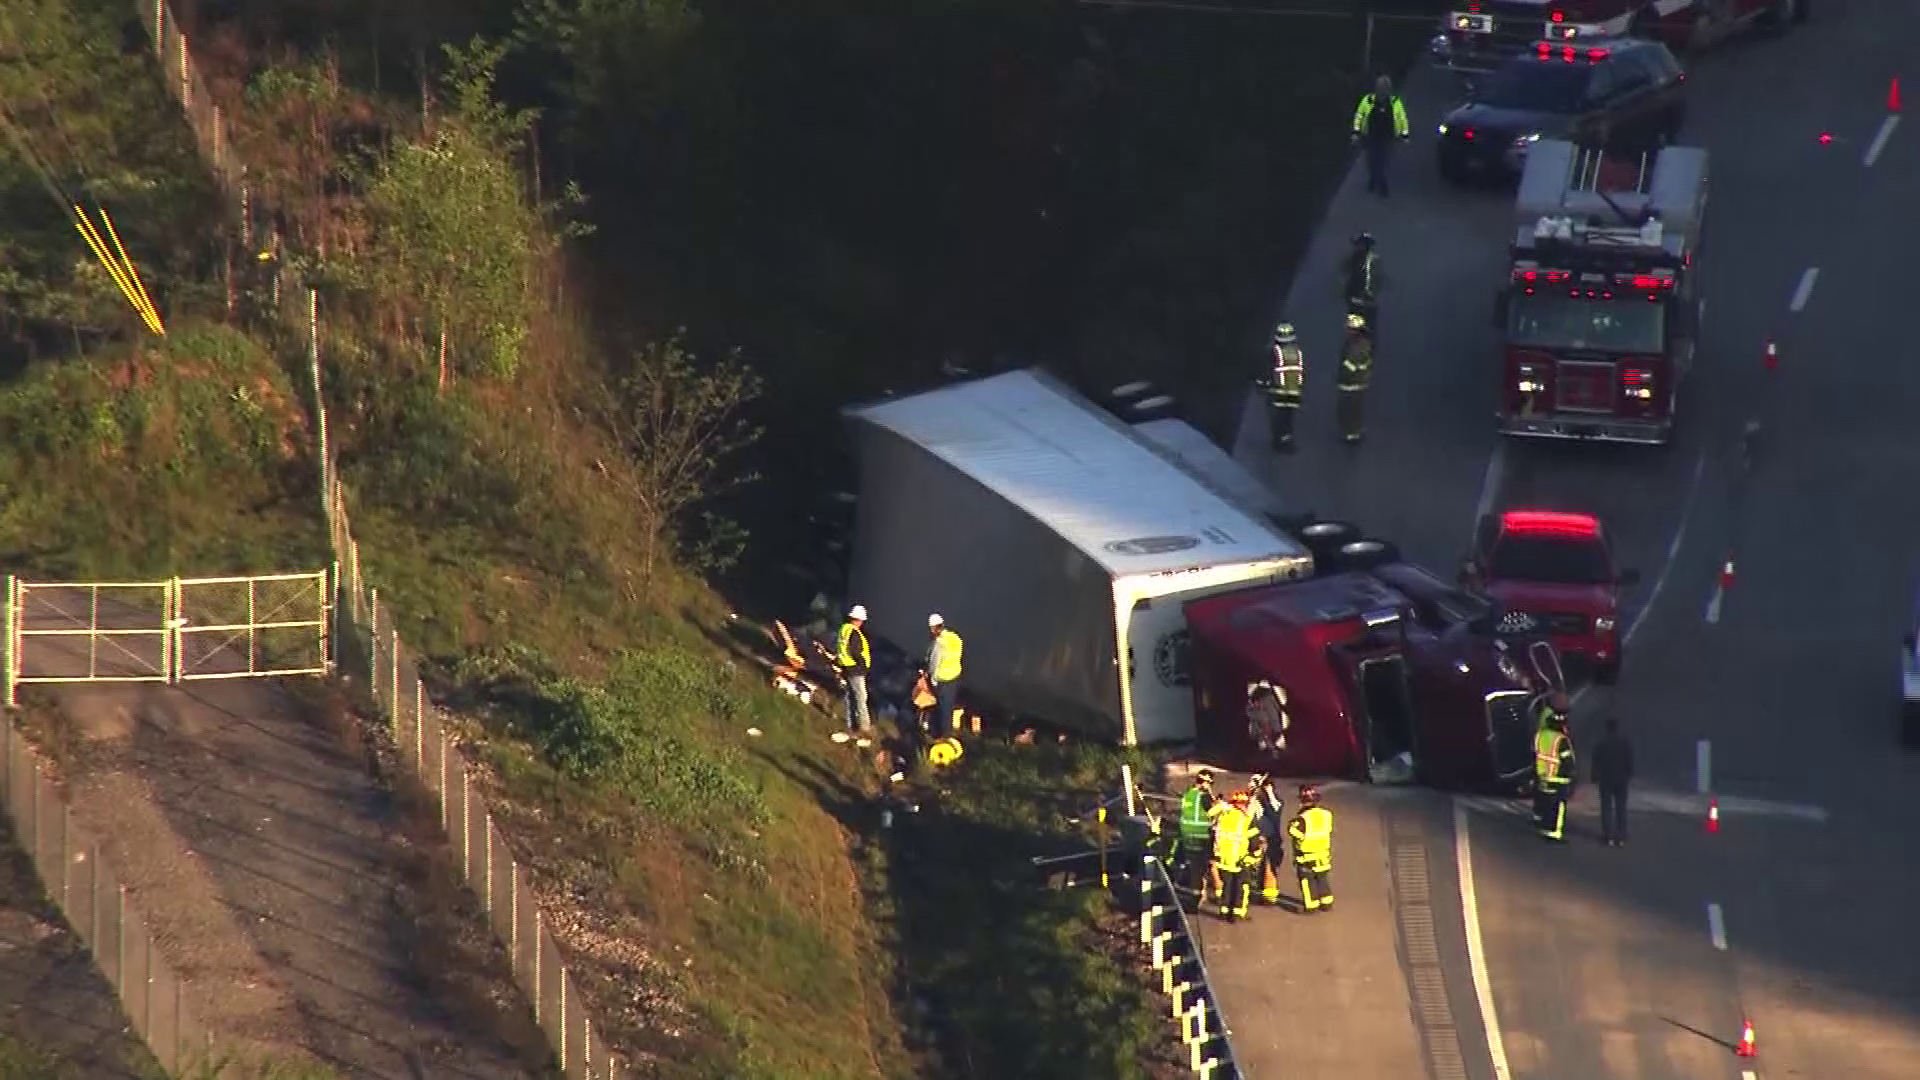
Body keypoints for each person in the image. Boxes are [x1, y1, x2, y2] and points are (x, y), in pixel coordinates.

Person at [1351, 75, 1410, 197]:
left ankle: (1382, 184)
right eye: (1381, 88)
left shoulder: (1395, 102)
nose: (1383, 91)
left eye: (1385, 88)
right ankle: (1373, 178)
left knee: (1384, 161)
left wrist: (1404, 134)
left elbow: (1401, 118)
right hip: (1371, 135)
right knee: (1371, 160)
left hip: (1388, 137)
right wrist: (1356, 132)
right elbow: (1359, 116)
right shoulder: (1368, 101)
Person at [1211, 790, 1258, 921]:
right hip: (1239, 858)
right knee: (1240, 887)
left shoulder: (1223, 815)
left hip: (1224, 858)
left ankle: (1224, 911)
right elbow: (1253, 838)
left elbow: (1214, 829)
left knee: (1227, 886)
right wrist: (1254, 855)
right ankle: (1236, 913)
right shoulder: (1245, 819)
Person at [1288, 784, 1335, 912]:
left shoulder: (1303, 818)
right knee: (1322, 878)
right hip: (1323, 852)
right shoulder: (1327, 814)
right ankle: (1326, 903)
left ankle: (1311, 906)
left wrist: (1292, 824)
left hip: (1307, 854)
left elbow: (1294, 832)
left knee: (1307, 880)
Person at [1534, 706, 1577, 842]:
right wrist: (1572, 774)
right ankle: (1555, 832)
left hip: (1543, 774)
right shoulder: (1561, 740)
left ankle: (1544, 827)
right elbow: (1566, 759)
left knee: (1546, 802)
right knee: (1559, 806)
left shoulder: (1540, 736)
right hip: (1559, 777)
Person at [1592, 715, 1635, 847]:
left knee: (1606, 807)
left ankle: (1608, 836)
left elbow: (1596, 762)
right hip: (1621, 779)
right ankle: (1621, 836)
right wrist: (1629, 774)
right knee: (1621, 808)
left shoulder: (1601, 744)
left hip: (1605, 779)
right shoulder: (1624, 743)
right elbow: (1629, 760)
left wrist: (1594, 776)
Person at [1262, 322, 1305, 451]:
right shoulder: (1297, 352)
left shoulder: (1274, 352)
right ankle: (1287, 440)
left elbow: (1267, 370)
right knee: (1288, 417)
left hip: (1278, 391)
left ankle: (1278, 442)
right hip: (1294, 391)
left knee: (1277, 418)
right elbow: (1301, 370)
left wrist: (1264, 384)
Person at [1177, 769, 1218, 900]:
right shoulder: (1204, 796)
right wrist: (1221, 805)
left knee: (1190, 863)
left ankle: (1188, 888)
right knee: (1201, 867)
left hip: (1186, 834)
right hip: (1200, 836)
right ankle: (1197, 894)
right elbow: (1212, 811)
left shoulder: (1188, 794)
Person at [1247, 774, 1287, 905]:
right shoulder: (1249, 800)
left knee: (1269, 867)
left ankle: (1269, 897)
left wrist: (1268, 791)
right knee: (1250, 868)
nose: (1251, 785)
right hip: (1251, 839)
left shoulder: (1273, 800)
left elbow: (1276, 809)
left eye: (1254, 783)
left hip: (1270, 840)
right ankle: (1250, 894)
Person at [924, 613, 964, 737]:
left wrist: (932, 680)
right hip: (955, 677)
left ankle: (944, 735)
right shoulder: (955, 638)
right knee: (949, 705)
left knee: (943, 708)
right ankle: (948, 731)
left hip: (943, 680)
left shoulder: (939, 644)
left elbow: (934, 663)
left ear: (932, 628)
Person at [836, 604, 874, 735]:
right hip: (856, 669)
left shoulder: (844, 629)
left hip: (846, 667)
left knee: (850, 697)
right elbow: (855, 651)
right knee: (861, 697)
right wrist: (863, 665)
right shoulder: (854, 633)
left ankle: (851, 724)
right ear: (858, 620)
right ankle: (865, 727)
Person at [1336, 313, 1374, 445]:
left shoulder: (1356, 346)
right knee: (1354, 408)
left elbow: (1351, 364)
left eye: (1349, 328)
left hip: (1352, 381)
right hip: (1358, 381)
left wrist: (1343, 377)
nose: (1347, 330)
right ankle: (1354, 431)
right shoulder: (1361, 343)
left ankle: (1351, 434)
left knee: (1349, 408)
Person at [1344, 233, 1380, 328]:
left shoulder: (1372, 261)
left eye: (1361, 244)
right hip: (1356, 297)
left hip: (1365, 298)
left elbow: (1375, 279)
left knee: (1365, 326)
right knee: (1356, 326)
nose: (1359, 247)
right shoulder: (1354, 259)